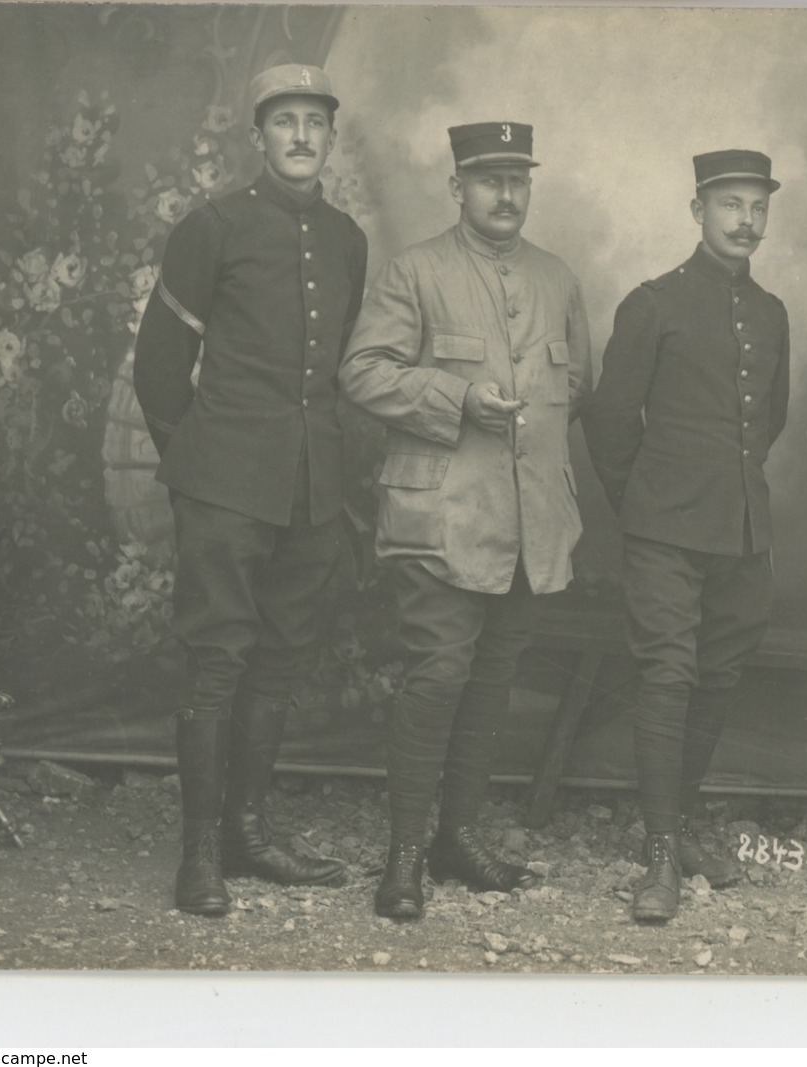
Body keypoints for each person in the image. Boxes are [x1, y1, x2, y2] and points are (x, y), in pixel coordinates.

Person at [340, 122, 591, 921]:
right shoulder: (415, 272)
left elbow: (575, 384)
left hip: (527, 527)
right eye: (489, 180)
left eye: (519, 179)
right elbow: (362, 373)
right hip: (440, 521)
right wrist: (457, 399)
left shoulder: (556, 279)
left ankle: (458, 835)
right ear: (458, 188)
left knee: (491, 683)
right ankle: (405, 853)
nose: (506, 194)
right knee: (438, 677)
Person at [133, 64, 367, 916]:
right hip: (225, 485)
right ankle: (199, 852)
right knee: (216, 660)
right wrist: (196, 472)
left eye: (315, 121)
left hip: (312, 490)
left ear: (330, 136)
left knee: (278, 661)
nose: (301, 135)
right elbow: (158, 366)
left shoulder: (346, 239)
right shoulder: (213, 226)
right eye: (284, 121)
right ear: (257, 136)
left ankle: (250, 834)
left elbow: (332, 361)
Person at [582, 150, 789, 923]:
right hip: (663, 530)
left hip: (740, 531)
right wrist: (644, 505)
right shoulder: (653, 304)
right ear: (697, 209)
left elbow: (769, 417)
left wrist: (721, 496)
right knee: (667, 675)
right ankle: (661, 852)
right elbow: (607, 421)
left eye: (756, 207)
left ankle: (675, 823)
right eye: (729, 205)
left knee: (719, 675)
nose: (744, 221)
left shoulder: (769, 313)